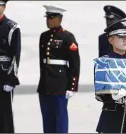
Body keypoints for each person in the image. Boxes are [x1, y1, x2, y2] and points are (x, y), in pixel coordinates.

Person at [37, 5, 80, 133]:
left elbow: (75, 63)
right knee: (47, 118)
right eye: (47, 17)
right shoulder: (43, 36)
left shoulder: (67, 37)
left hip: (60, 84)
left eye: (51, 17)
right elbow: (42, 61)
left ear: (59, 19)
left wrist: (72, 86)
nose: (48, 20)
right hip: (45, 84)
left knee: (60, 118)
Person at [0, 0, 21, 132]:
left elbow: (16, 55)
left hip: (3, 76)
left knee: (4, 114)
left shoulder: (12, 27)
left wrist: (11, 79)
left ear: (4, 7)